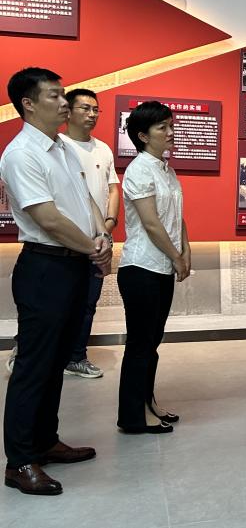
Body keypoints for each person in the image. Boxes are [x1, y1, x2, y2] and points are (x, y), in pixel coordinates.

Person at [1, 68, 112, 496]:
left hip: (75, 262)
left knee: (56, 362)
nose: (65, 103)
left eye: (64, 94)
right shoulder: (21, 154)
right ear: (28, 104)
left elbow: (84, 199)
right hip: (45, 267)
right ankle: (19, 462)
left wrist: (100, 237)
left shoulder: (62, 146)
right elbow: (47, 218)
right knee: (33, 367)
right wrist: (92, 248)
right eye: (55, 96)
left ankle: (45, 441)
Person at [117, 101, 191, 435]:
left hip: (162, 267)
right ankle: (132, 416)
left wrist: (185, 249)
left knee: (151, 342)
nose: (171, 132)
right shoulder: (139, 170)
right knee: (140, 344)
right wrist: (176, 256)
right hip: (142, 267)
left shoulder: (166, 170)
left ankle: (147, 403)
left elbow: (176, 217)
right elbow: (150, 222)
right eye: (163, 127)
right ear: (143, 135)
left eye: (171, 125)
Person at [60, 88, 120, 379]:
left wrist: (108, 225)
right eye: (85, 108)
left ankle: (76, 357)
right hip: (65, 239)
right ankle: (30, 348)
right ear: (68, 111)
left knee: (87, 303)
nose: (92, 114)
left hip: (99, 239)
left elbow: (113, 190)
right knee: (56, 302)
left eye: (96, 109)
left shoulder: (103, 149)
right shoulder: (58, 146)